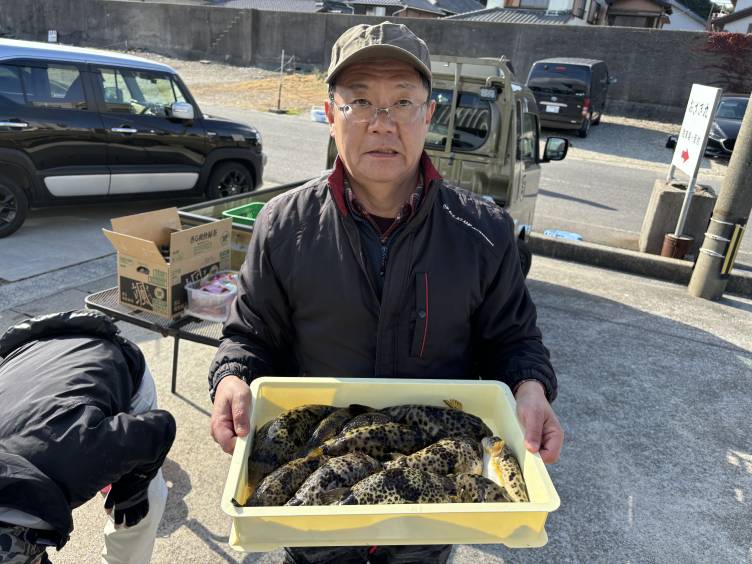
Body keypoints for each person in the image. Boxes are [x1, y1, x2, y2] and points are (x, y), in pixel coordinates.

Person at [208, 21, 564, 564]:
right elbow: (250, 337)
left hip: (427, 516)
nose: (382, 123)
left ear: (429, 114)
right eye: (359, 102)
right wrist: (233, 377)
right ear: (330, 115)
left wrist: (530, 386)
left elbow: (514, 342)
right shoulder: (282, 226)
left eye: (402, 102)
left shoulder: (485, 232)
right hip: (315, 519)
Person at [0, 310, 176, 564]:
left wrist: (133, 486)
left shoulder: (78, 458)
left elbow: (160, 428)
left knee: (143, 505)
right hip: (27, 359)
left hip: (108, 357)